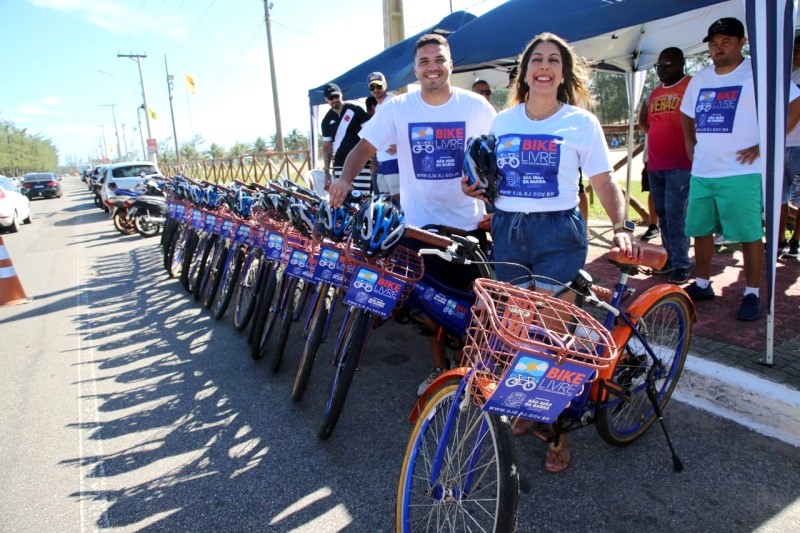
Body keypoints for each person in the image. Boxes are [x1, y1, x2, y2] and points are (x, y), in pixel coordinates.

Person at [462, 32, 639, 474]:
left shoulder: (580, 123)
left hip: (558, 233)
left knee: (555, 337)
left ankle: (558, 429)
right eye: (536, 59)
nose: (544, 66)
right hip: (508, 231)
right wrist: (475, 189)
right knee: (520, 331)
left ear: (563, 72)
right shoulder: (501, 123)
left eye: (553, 60)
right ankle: (529, 406)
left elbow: (604, 183)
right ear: (524, 72)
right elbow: (489, 180)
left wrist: (621, 226)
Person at [328, 33, 496, 394]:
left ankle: (467, 377)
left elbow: (498, 158)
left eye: (439, 59)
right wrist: (343, 178)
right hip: (419, 227)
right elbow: (363, 146)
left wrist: (494, 205)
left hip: (467, 225)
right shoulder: (398, 108)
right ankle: (438, 369)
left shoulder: (477, 107)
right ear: (415, 69)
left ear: (451, 64)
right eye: (424, 62)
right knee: (430, 307)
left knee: (468, 308)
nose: (432, 67)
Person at [680, 17, 800, 320]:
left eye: (726, 42)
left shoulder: (758, 75)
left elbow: (796, 103)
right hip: (704, 171)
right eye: (714, 44)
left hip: (742, 171)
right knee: (701, 230)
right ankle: (704, 283)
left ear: (742, 43)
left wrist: (767, 144)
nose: (718, 49)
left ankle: (752, 292)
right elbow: (686, 114)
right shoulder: (701, 78)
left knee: (749, 234)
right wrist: (690, 144)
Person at [638, 47, 693, 284]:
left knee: (676, 214)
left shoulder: (691, 85)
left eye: (667, 64)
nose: (661, 69)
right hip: (656, 163)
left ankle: (682, 263)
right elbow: (643, 120)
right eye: (658, 66)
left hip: (681, 163)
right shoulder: (654, 93)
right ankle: (669, 257)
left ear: (681, 63)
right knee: (663, 214)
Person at [320, 83, 371, 194]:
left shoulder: (356, 110)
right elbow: (327, 147)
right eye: (331, 98)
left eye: (336, 96)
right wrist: (327, 172)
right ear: (326, 99)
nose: (334, 100)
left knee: (363, 198)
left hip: (361, 163)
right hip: (339, 165)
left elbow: (370, 135)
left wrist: (374, 160)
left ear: (341, 95)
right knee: (344, 201)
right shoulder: (326, 120)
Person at [780, 35, 800, 259]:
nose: (794, 54)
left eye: (797, 50)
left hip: (798, 145)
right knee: (779, 196)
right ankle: (779, 240)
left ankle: (796, 240)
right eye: (792, 49)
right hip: (780, 146)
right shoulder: (787, 77)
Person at [367, 72, 400, 199]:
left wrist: (400, 146)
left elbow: (407, 125)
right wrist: (374, 160)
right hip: (382, 161)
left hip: (394, 160)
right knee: (386, 199)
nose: (376, 90)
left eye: (379, 86)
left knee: (398, 198)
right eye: (372, 87)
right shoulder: (378, 107)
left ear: (385, 85)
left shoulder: (394, 102)